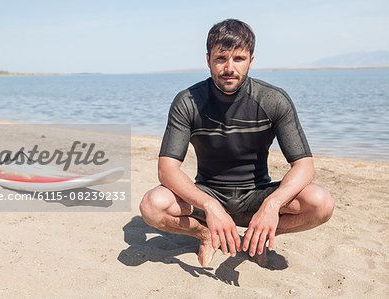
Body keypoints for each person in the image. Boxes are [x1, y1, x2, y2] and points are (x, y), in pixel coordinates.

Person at [139, 19, 334, 267]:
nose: (229, 67)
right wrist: (209, 206)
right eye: (221, 58)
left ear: (251, 60)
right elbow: (167, 170)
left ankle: (257, 235)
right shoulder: (187, 102)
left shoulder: (273, 100)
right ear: (208, 59)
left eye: (238, 59)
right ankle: (206, 234)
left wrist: (272, 206)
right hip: (207, 194)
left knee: (321, 203)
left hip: (257, 196)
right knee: (151, 205)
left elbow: (304, 166)